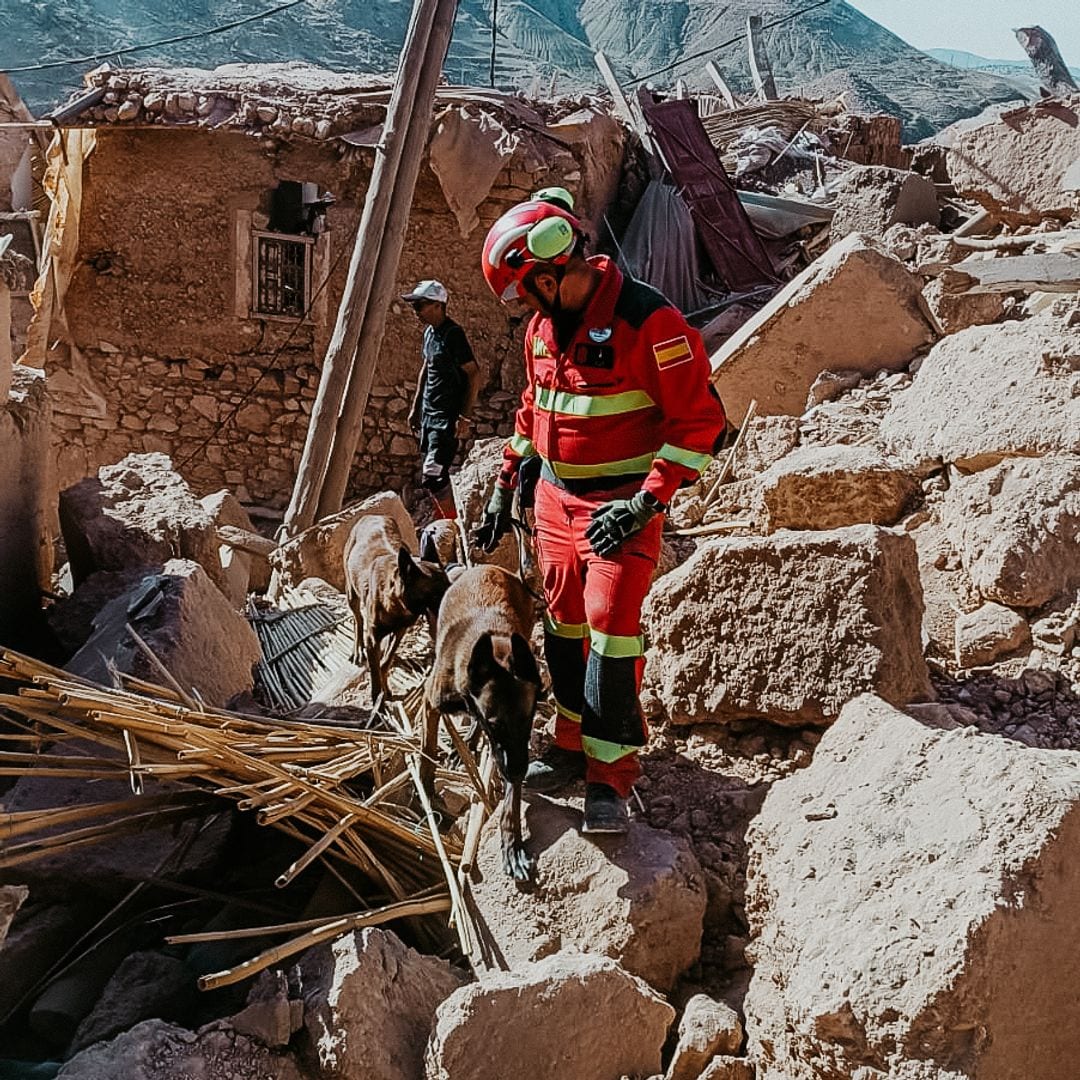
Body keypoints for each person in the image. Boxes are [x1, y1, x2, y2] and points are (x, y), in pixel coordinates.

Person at [475, 199, 726, 833]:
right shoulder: (543, 330)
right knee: (562, 627)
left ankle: (610, 776)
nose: (526, 307)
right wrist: (509, 478)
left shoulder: (651, 324)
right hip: (554, 501)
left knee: (611, 630)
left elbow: (701, 423)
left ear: (548, 272)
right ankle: (569, 742)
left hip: (620, 506)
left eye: (526, 291)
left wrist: (645, 501)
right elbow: (534, 410)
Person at [404, 280, 480, 520]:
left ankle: (452, 522)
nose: (416, 312)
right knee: (432, 475)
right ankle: (443, 520)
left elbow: (474, 373)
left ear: (438, 305)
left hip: (445, 417)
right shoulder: (430, 333)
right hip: (429, 415)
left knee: (433, 475)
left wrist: (465, 416)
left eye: (420, 306)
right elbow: (426, 370)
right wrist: (416, 408)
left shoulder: (453, 335)